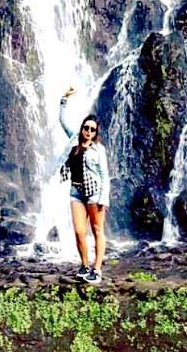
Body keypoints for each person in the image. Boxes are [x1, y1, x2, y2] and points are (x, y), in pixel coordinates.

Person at [59, 86, 110, 284]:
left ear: (95, 133)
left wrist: (103, 199)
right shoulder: (74, 140)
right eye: (86, 128)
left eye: (92, 130)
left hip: (95, 194)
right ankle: (84, 265)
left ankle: (97, 270)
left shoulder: (99, 150)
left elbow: (105, 176)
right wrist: (64, 98)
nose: (88, 131)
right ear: (82, 129)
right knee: (80, 231)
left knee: (97, 231)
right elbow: (62, 120)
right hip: (76, 191)